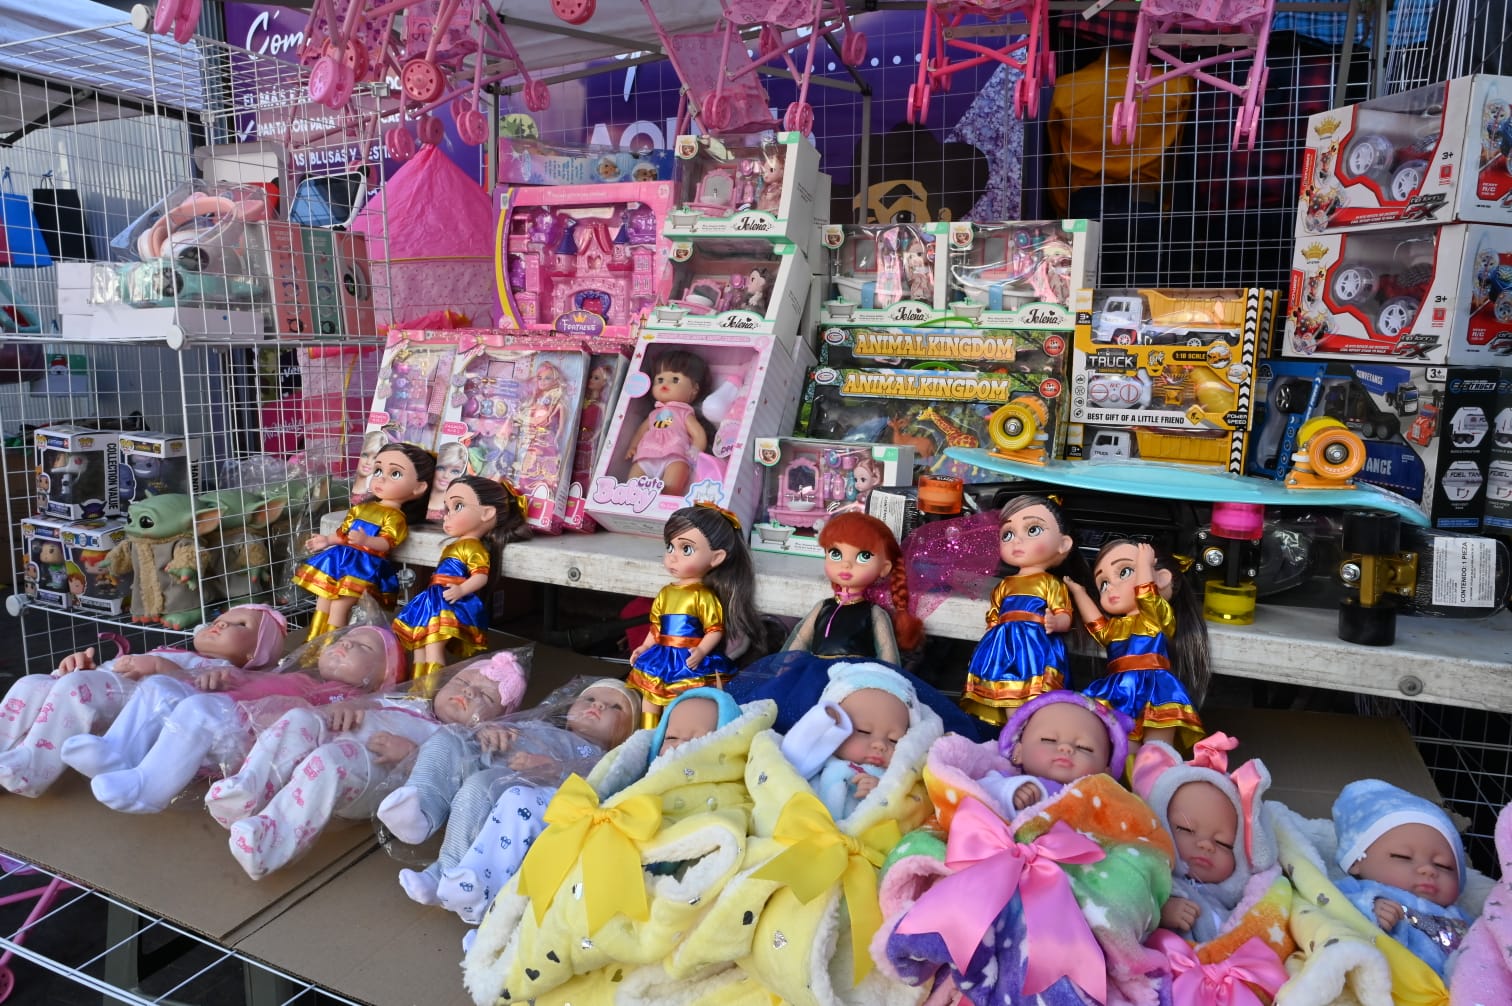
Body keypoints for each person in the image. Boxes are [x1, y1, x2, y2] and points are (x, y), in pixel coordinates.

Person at [207, 649, 528, 880]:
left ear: (499, 719)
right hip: (339, 739)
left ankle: (268, 843)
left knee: (329, 761)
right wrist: (346, 710)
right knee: (299, 718)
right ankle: (245, 791)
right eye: (461, 683)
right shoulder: (407, 701)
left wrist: (413, 755)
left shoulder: (459, 741)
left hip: (365, 772)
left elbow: (444, 786)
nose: (468, 692)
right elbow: (365, 705)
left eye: (484, 698)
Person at [61, 625, 403, 814]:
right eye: (343, 640)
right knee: (161, 686)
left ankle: (149, 788)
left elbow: (364, 720)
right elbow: (248, 683)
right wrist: (220, 679)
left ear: (383, 676)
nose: (344, 646)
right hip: (225, 711)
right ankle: (116, 752)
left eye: (363, 648)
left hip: (247, 738)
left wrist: (348, 709)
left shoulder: (356, 700)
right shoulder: (300, 677)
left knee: (198, 712)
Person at [375, 677, 639, 915]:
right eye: (589, 699)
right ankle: (421, 810)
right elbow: (485, 733)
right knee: (450, 736)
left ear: (627, 733)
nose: (599, 706)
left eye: (616, 707)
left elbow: (592, 788)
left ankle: (445, 873)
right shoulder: (537, 724)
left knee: (479, 787)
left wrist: (550, 768)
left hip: (512, 785)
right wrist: (488, 731)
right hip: (485, 758)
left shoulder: (600, 757)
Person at [0, 606, 288, 796]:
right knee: (32, 683)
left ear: (255, 656)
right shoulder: (173, 650)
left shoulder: (226, 673)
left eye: (240, 624)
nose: (221, 623)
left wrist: (160, 667)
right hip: (103, 685)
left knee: (77, 688)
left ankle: (31, 769)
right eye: (218, 619)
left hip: (135, 704)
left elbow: (186, 700)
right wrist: (79, 666)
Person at [1130, 733, 1277, 943]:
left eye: (1223, 843)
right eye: (1186, 830)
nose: (1206, 845)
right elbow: (1122, 912)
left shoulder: (1244, 903)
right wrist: (1158, 911)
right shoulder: (1153, 884)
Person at [627, 504, 763, 726]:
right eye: (670, 547)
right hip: (662, 654)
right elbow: (656, 627)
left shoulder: (703, 595)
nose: (673, 557)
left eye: (686, 549)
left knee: (682, 701)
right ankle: (646, 737)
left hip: (688, 657)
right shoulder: (666, 592)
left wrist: (700, 651)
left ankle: (676, 735)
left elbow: (714, 629)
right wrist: (644, 647)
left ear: (716, 557)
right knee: (651, 698)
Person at [1066, 540, 1206, 750]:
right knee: (1122, 749)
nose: (1111, 586)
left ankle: (1157, 779)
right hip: (1120, 688)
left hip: (1156, 688)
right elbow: (1096, 625)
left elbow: (1147, 597)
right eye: (1103, 584)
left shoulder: (1155, 617)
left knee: (1157, 750)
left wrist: (1144, 564)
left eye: (1124, 572)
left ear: (1162, 578)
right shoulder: (1115, 627)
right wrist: (1079, 593)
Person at [392, 477, 531, 685]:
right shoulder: (456, 545)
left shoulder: (473, 547)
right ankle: (416, 689)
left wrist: (461, 589)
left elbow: (481, 576)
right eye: (446, 508)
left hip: (447, 600)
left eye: (457, 506)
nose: (446, 516)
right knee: (421, 645)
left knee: (433, 646)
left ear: (487, 513)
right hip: (434, 598)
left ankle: (429, 692)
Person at [293, 443, 435, 640]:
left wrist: (366, 540)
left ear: (419, 488)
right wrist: (326, 540)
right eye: (378, 470)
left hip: (363, 566)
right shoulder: (361, 509)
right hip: (341, 559)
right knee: (324, 598)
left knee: (340, 604)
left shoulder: (396, 517)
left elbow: (387, 543)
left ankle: (330, 644)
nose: (381, 478)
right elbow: (344, 534)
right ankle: (312, 641)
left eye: (394, 474)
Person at [962, 495, 1082, 725]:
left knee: (1033, 693)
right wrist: (990, 641)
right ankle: (1013, 735)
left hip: (1034, 645)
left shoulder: (1050, 583)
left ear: (1063, 544)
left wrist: (1056, 623)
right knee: (1008, 692)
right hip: (1003, 645)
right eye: (1007, 534)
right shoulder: (1005, 584)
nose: (1017, 541)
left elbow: (1064, 614)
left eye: (1033, 530)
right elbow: (994, 614)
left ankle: (1027, 733)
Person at [1333, 778, 1472, 977]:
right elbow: (1327, 907)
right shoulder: (1361, 892)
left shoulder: (1459, 917)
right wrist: (1367, 910)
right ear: (1355, 861)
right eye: (1403, 857)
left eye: (1444, 866)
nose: (1428, 870)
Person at [778, 663, 921, 820]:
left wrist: (883, 793)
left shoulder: (897, 778)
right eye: (864, 731)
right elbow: (790, 759)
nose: (880, 744)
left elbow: (911, 810)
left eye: (894, 740)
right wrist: (821, 722)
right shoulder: (815, 761)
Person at [979, 689, 1130, 812]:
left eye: (1084, 748)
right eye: (1049, 740)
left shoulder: (1103, 801)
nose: (1066, 747)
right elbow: (978, 792)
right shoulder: (1007, 780)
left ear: (1106, 773)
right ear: (1018, 752)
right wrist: (1010, 792)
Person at [625, 350, 711, 496]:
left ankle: (667, 496)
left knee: (674, 482)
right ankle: (634, 496)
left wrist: (696, 449)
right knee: (633, 481)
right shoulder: (654, 413)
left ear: (694, 389)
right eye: (660, 380)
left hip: (675, 454)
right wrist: (633, 446)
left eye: (675, 379)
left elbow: (698, 433)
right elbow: (641, 431)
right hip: (647, 454)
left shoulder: (684, 412)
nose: (665, 384)